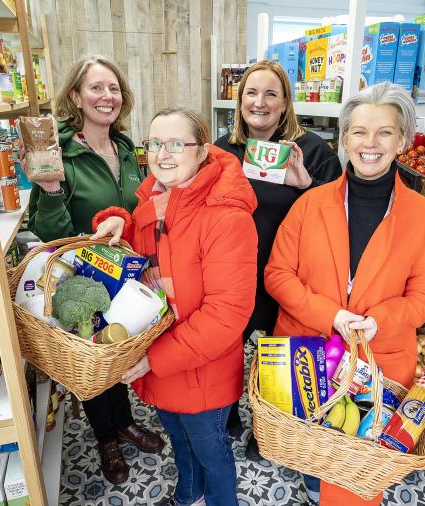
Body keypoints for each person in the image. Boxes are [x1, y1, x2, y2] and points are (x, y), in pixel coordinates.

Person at [264, 82, 425, 506]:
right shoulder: (309, 204)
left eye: (384, 132)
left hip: (378, 366)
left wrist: (382, 317)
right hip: (308, 356)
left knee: (354, 485)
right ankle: (314, 479)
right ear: (344, 137)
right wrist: (331, 315)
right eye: (359, 132)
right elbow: (277, 274)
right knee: (312, 452)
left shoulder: (424, 217)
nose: (370, 144)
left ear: (402, 140)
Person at [91, 107, 257, 506]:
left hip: (201, 367)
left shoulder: (226, 217)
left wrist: (154, 359)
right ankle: (188, 496)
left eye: (176, 144)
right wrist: (119, 223)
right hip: (162, 359)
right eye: (155, 143)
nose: (163, 154)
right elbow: (148, 253)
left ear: (202, 152)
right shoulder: (157, 195)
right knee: (180, 443)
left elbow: (226, 315)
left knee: (211, 452)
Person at [26, 55, 163, 485]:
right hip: (80, 277)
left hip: (122, 270)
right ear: (76, 97)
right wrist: (49, 190)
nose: (108, 97)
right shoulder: (57, 153)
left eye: (114, 88)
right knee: (91, 365)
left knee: (117, 351)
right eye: (96, 88)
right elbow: (49, 234)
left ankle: (123, 421)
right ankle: (105, 437)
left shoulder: (124, 147)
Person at [214, 60, 342, 461]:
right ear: (240, 101)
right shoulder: (222, 152)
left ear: (286, 103)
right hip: (232, 273)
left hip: (289, 275)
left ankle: (269, 427)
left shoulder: (315, 152)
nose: (260, 102)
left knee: (281, 354)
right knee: (227, 347)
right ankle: (227, 411)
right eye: (252, 93)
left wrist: (304, 185)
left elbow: (338, 215)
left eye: (271, 93)